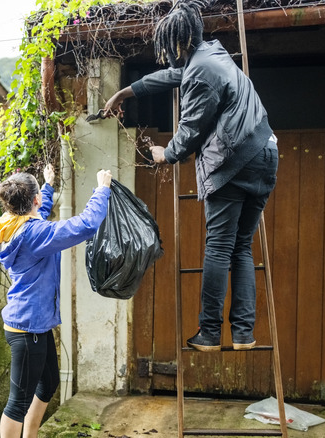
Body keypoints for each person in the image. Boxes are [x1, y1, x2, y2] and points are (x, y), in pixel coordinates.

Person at [103, 0, 278, 352]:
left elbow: (190, 130)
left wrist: (165, 154)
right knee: (241, 247)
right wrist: (126, 91)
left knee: (218, 247)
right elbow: (173, 76)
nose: (165, 54)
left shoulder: (200, 73)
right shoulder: (214, 55)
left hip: (234, 163)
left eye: (167, 47)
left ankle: (210, 333)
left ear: (178, 43)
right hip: (266, 153)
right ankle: (244, 333)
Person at [0, 164, 112, 438]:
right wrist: (102, 190)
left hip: (34, 325)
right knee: (18, 402)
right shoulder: (34, 235)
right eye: (39, 197)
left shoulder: (12, 225)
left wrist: (47, 185)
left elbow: (40, 215)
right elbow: (85, 226)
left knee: (48, 383)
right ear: (31, 200)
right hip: (27, 329)